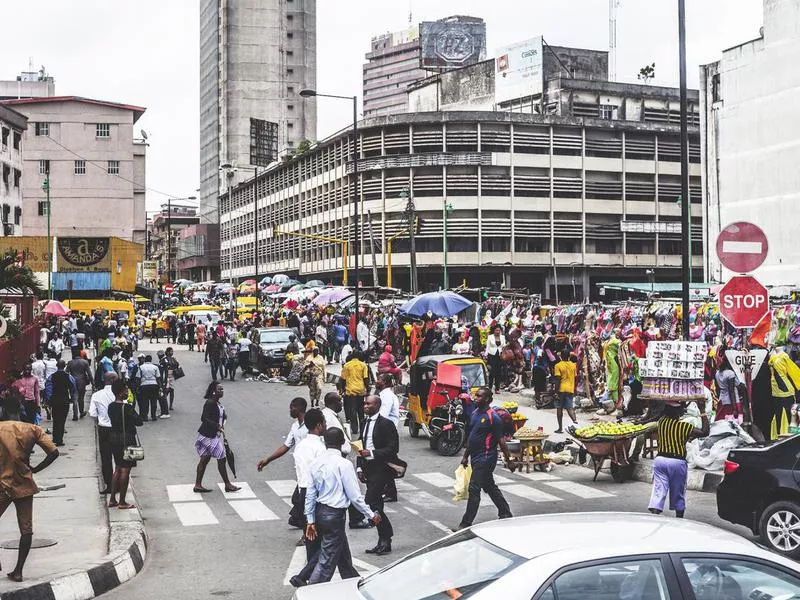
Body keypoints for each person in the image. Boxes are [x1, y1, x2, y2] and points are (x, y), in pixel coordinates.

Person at [292, 428, 380, 588]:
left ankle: (353, 582)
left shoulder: (316, 463)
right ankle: (312, 592)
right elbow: (355, 496)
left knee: (342, 553)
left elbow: (310, 495)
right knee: (326, 562)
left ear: (324, 442)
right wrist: (370, 514)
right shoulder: (344, 464)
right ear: (342, 443)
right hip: (335, 516)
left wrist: (310, 520)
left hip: (320, 513)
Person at [0, 397, 59, 582]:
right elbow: (54, 452)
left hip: (2, 483)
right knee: (26, 529)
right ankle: (18, 571)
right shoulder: (33, 429)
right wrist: (35, 469)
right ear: (21, 408)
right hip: (24, 483)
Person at [456, 387, 514, 530]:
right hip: (475, 457)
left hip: (486, 458)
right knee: (489, 486)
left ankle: (465, 523)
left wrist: (510, 460)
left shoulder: (493, 418)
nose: (475, 398)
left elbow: (501, 441)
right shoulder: (475, 414)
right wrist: (465, 456)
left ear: (487, 399)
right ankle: (505, 511)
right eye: (476, 396)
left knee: (474, 488)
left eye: (479, 396)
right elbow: (472, 437)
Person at [648, 399, 709, 518]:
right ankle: (679, 520)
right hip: (677, 462)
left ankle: (654, 516)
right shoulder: (684, 427)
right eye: (682, 409)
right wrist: (702, 411)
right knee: (678, 493)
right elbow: (705, 432)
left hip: (660, 460)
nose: (684, 410)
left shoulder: (662, 422)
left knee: (658, 491)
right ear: (677, 412)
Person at [256, 397, 308, 528]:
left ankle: (307, 530)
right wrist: (268, 459)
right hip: (301, 469)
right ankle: (300, 521)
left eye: (292, 407)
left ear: (299, 408)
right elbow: (286, 446)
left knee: (301, 500)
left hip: (312, 468)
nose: (290, 410)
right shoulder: (295, 426)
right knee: (299, 499)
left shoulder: (311, 424)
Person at [357, 395, 399, 556]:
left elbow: (393, 448)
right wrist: (359, 468)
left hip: (381, 469)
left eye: (368, 404)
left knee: (370, 502)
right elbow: (360, 446)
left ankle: (387, 535)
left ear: (377, 406)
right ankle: (383, 541)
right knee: (377, 505)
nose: (365, 406)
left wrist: (373, 453)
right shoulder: (364, 423)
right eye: (365, 403)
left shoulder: (386, 424)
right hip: (368, 468)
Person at [194, 381, 240, 493]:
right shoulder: (210, 402)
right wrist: (217, 426)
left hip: (208, 435)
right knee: (222, 457)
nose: (222, 391)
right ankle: (227, 484)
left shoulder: (217, 403)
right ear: (214, 391)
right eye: (220, 389)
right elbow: (204, 418)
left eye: (222, 389)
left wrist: (223, 418)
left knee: (204, 459)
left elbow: (219, 415)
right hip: (208, 436)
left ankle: (198, 485)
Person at [292, 409, 327, 550]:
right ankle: (309, 571)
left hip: (303, 490)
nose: (325, 425)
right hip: (316, 492)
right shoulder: (320, 447)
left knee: (311, 537)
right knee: (319, 537)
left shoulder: (300, 445)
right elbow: (321, 474)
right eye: (324, 423)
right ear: (319, 425)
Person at [107, 379, 142, 509]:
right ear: (121, 392)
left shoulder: (111, 406)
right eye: (126, 390)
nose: (127, 392)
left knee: (117, 468)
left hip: (114, 438)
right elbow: (139, 421)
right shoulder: (127, 407)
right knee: (126, 470)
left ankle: (112, 499)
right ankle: (122, 501)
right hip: (127, 439)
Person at [89, 372, 119, 494]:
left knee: (106, 458)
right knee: (119, 458)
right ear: (112, 380)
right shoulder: (119, 393)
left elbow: (92, 413)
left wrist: (102, 416)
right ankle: (119, 483)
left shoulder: (96, 395)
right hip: (117, 428)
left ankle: (110, 484)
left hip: (104, 429)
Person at [375, 374, 400, 503]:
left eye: (379, 379)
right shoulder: (386, 394)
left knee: (386, 463)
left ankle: (391, 492)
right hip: (388, 432)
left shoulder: (386, 396)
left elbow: (382, 415)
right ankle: (387, 490)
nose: (376, 381)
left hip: (387, 433)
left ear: (384, 382)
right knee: (385, 462)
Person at [45, 360, 76, 446]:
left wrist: (48, 400)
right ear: (64, 366)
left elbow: (48, 389)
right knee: (62, 420)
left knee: (55, 419)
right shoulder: (68, 376)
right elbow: (73, 386)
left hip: (55, 401)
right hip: (64, 400)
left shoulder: (51, 377)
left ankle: (55, 438)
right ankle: (60, 439)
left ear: (56, 366)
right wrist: (72, 396)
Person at [339, 351, 369, 438]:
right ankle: (362, 428)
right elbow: (366, 379)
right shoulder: (363, 365)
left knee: (352, 410)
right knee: (361, 410)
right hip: (361, 390)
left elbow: (343, 379)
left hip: (350, 391)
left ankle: (355, 428)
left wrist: (342, 389)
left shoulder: (347, 365)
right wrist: (368, 389)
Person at [553, 349, 578, 433]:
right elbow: (575, 377)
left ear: (561, 356)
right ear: (568, 356)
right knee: (570, 407)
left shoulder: (558, 365)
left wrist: (555, 391)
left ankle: (560, 428)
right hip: (570, 389)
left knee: (559, 408)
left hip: (561, 389)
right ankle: (576, 423)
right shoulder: (573, 365)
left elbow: (558, 379)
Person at [66, 349, 93, 420]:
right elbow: (89, 374)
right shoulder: (85, 362)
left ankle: (75, 415)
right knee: (81, 398)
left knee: (74, 398)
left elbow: (66, 373)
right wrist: (93, 383)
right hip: (82, 382)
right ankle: (81, 412)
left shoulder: (70, 363)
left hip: (73, 382)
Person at [714, 353, 741, 422]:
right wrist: (734, 408)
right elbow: (731, 391)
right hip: (731, 402)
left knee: (721, 421)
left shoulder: (717, 373)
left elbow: (717, 388)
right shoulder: (730, 373)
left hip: (722, 400)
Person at [136, 355, 162, 421]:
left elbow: (138, 378)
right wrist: (160, 387)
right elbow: (158, 378)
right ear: (151, 360)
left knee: (145, 402)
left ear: (145, 360)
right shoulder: (155, 367)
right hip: (154, 385)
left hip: (144, 385)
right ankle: (153, 416)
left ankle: (145, 417)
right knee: (154, 401)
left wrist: (138, 387)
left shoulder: (141, 367)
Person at [485, 326, 505, 393]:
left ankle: (497, 388)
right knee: (492, 372)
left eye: (499, 330)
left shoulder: (502, 337)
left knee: (498, 373)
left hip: (499, 356)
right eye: (496, 330)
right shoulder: (490, 337)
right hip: (491, 355)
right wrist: (485, 355)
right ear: (494, 331)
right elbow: (488, 346)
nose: (498, 332)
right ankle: (490, 387)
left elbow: (504, 346)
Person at [161, 347, 179, 413]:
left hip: (172, 375)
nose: (172, 352)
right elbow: (162, 366)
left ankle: (170, 405)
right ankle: (164, 404)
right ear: (167, 352)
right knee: (166, 390)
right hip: (166, 375)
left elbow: (177, 365)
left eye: (172, 351)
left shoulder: (173, 359)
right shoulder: (164, 359)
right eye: (171, 351)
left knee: (172, 390)